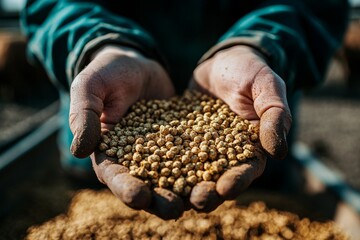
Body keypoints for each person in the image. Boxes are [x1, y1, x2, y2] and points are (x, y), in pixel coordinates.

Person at [20, 0, 349, 219]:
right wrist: (99, 44)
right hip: (109, 125)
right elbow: (48, 6)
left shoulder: (230, 138)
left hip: (252, 140)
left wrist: (257, 43)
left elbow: (319, 6)